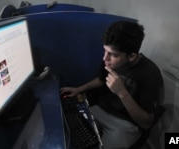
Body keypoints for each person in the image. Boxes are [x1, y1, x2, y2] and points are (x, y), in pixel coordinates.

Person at [60, 21, 163, 149]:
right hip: (101, 109)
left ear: (131, 56)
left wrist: (122, 92)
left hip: (126, 123)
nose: (105, 58)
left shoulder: (150, 73)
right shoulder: (110, 61)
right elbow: (101, 79)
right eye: (105, 51)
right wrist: (79, 89)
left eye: (113, 55)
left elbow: (146, 123)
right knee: (68, 129)